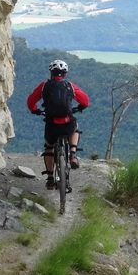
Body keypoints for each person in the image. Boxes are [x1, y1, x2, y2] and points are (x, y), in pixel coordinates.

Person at [26, 59, 90, 190]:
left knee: (49, 147)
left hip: (52, 124)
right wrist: (80, 107)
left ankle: (50, 179)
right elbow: (85, 100)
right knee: (75, 127)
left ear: (51, 72)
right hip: (67, 122)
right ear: (65, 74)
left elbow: (31, 101)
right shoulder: (70, 86)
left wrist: (35, 110)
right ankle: (72, 154)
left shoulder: (44, 86)